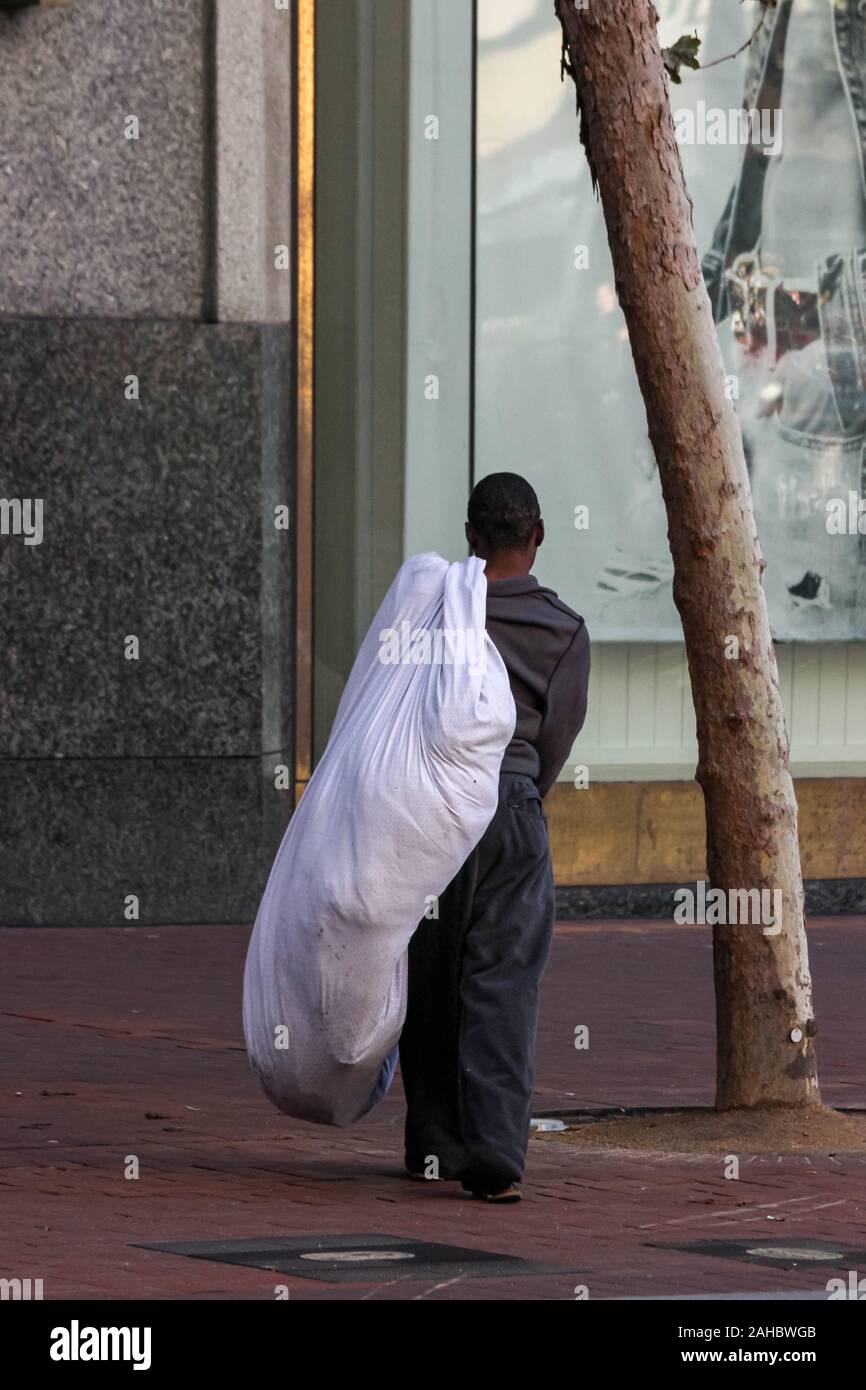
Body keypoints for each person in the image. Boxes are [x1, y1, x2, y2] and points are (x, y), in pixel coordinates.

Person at [398, 472, 590, 1202]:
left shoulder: (433, 612)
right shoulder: (565, 630)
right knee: (504, 980)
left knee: (432, 975)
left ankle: (434, 1143)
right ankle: (497, 1148)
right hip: (509, 808)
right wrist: (520, 801)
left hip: (430, 815)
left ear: (471, 537)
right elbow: (557, 740)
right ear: (537, 535)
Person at [702, 0, 866, 635]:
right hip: (775, 303)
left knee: (825, 573)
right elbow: (757, 155)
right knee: (782, 570)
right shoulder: (773, 14)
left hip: (834, 308)